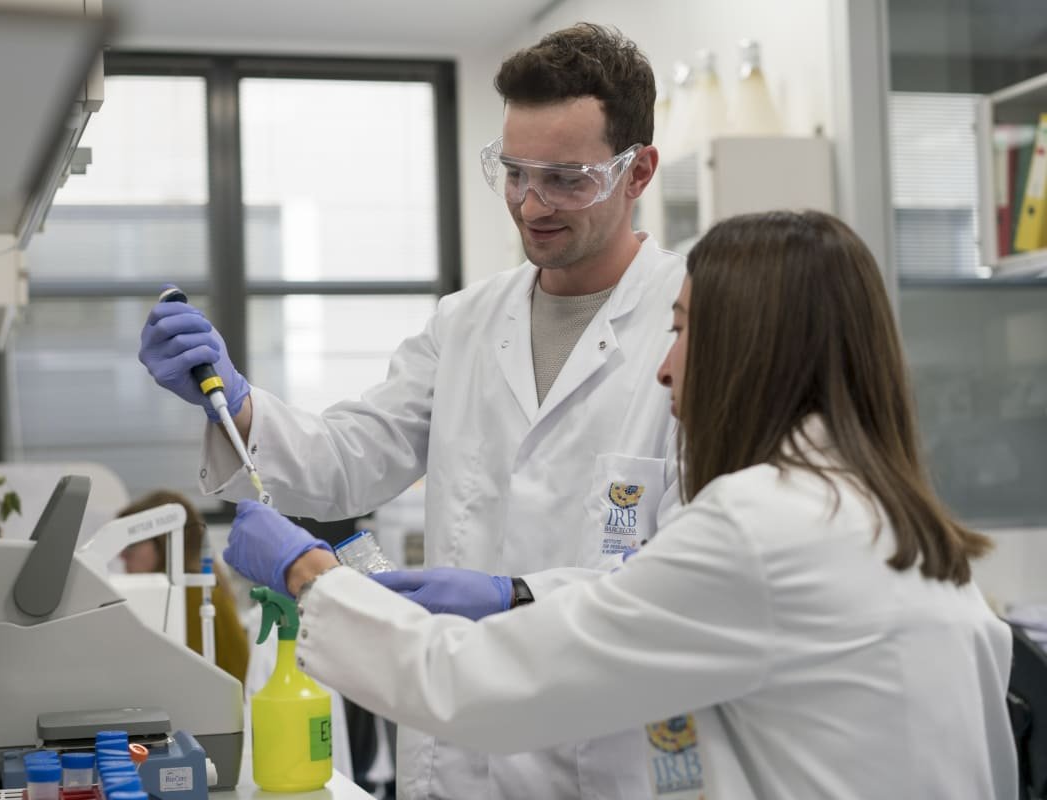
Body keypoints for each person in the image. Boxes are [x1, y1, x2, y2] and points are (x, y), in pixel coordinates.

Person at [221, 210, 1019, 800]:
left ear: (752, 349)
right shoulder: (887, 519)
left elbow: (477, 686)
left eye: (682, 333)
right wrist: (517, 592)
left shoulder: (761, 525)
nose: (666, 369)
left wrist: (311, 574)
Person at [139, 23, 703, 798]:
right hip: (457, 762)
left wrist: (515, 595)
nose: (531, 203)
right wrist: (237, 407)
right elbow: (349, 460)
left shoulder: (695, 328)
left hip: (600, 761)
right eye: (513, 173)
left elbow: (688, 583)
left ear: (637, 172)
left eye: (567, 179)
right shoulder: (466, 324)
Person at [116, 490, 250, 685]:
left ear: (162, 543)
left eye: (131, 545)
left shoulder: (191, 593)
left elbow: (179, 682)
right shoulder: (200, 584)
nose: (122, 555)